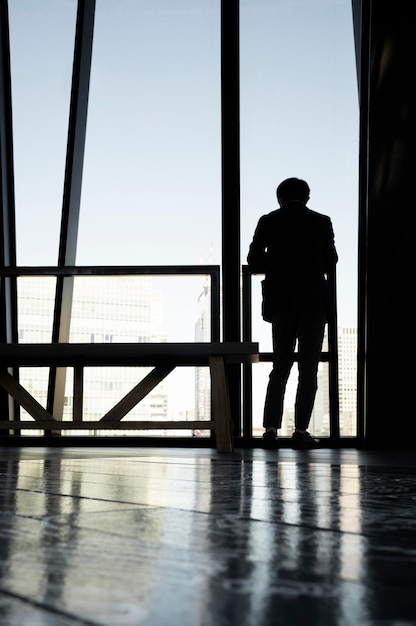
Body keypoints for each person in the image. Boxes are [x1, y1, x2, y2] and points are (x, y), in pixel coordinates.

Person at [247, 177, 338, 450]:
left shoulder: (269, 220)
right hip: (313, 303)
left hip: (282, 302)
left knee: (280, 367)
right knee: (308, 369)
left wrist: (278, 263)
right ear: (307, 197)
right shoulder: (322, 222)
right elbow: (331, 260)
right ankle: (300, 431)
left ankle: (271, 431)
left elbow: (254, 259)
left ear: (280, 198)